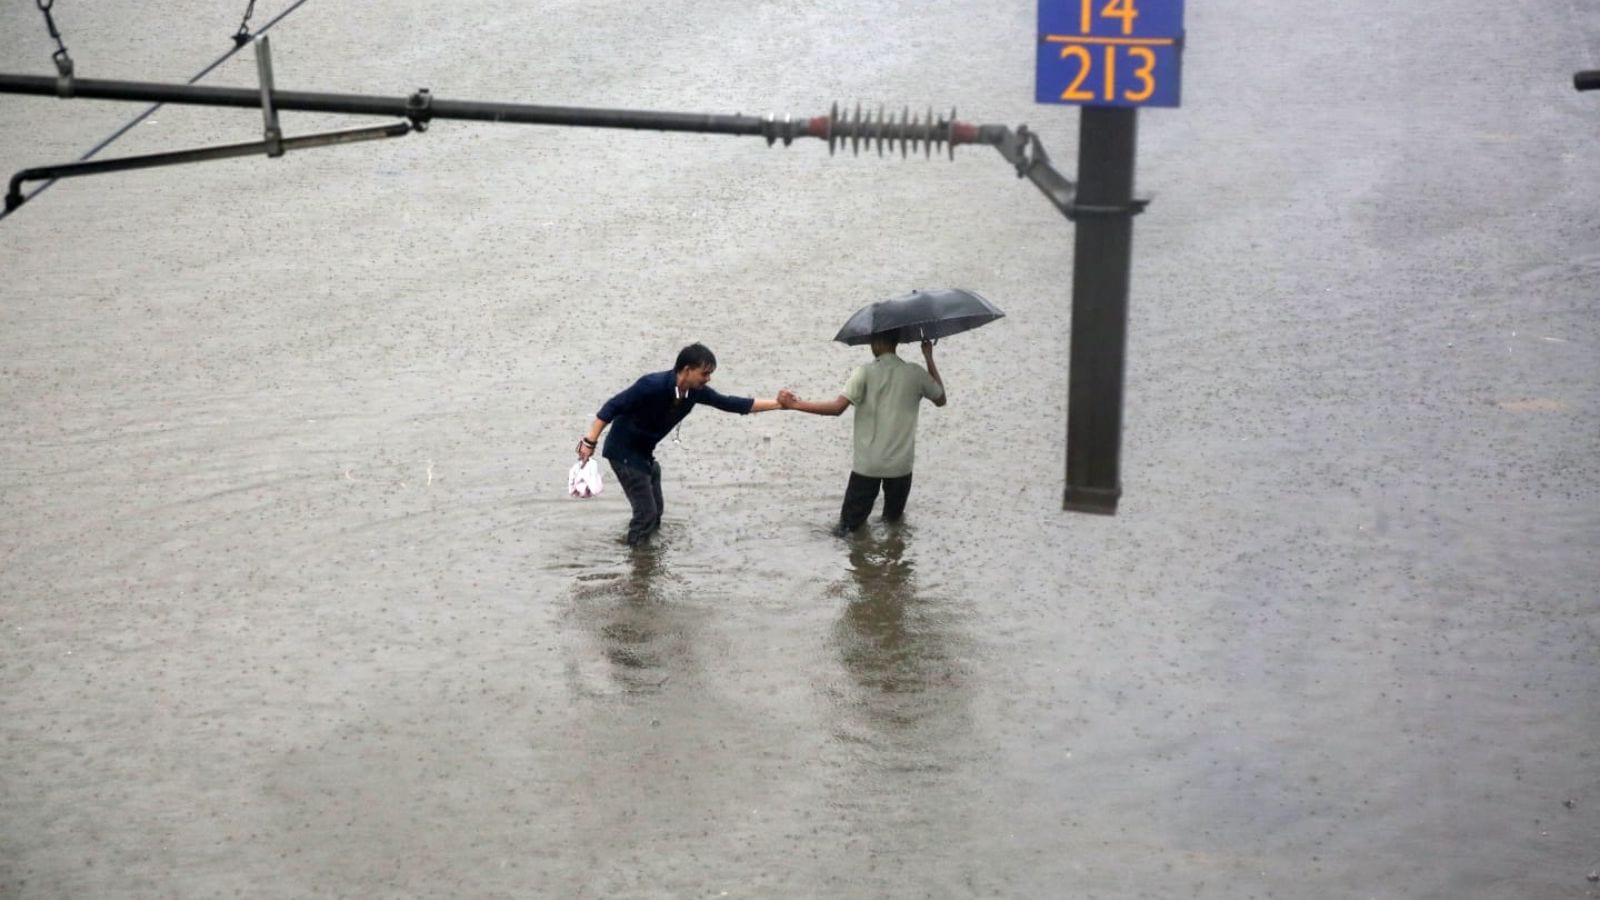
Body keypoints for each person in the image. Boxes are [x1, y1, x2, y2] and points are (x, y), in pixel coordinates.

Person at [577, 343, 786, 547]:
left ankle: (647, 554)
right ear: (687, 370)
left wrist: (779, 404)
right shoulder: (651, 385)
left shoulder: (694, 392)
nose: (708, 379)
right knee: (646, 515)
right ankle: (638, 564)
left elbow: (731, 403)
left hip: (644, 453)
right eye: (704, 373)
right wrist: (589, 442)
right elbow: (610, 408)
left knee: (656, 511)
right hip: (623, 452)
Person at [779, 335, 945, 536]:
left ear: (874, 342)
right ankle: (892, 561)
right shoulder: (915, 373)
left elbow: (836, 408)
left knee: (846, 531)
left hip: (868, 465)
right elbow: (941, 398)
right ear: (896, 341)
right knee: (893, 525)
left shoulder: (864, 372)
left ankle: (859, 564)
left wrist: (796, 405)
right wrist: (928, 357)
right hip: (901, 466)